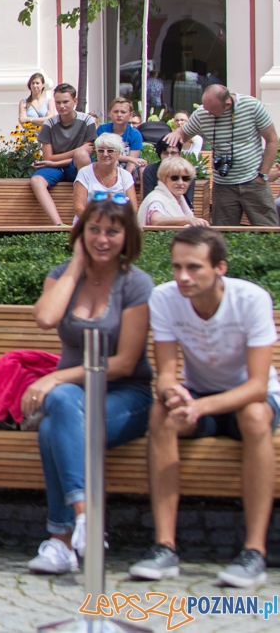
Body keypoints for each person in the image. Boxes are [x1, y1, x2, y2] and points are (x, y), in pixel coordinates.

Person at [129, 227, 277, 588]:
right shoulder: (164, 298)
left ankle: (254, 551)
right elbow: (165, 374)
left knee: (255, 416)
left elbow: (257, 385)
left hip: (250, 399)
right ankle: (164, 547)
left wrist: (201, 406)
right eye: (177, 266)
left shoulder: (252, 299)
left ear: (220, 268)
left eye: (194, 267)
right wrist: (173, 393)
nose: (183, 276)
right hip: (199, 397)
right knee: (160, 414)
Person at [24, 194, 154, 575]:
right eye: (93, 230)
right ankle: (86, 520)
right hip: (74, 398)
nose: (102, 239)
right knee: (60, 410)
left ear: (126, 236)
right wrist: (76, 264)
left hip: (126, 395)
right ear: (81, 233)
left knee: (54, 421)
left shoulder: (136, 284)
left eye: (112, 231)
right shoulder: (63, 274)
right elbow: (46, 318)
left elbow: (125, 362)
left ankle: (61, 539)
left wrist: (57, 375)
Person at [163, 85, 280, 227]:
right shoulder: (202, 113)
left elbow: (272, 140)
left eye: (212, 111)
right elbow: (183, 134)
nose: (208, 113)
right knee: (223, 234)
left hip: (254, 181)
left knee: (269, 231)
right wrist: (177, 133)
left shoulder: (253, 106)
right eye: (205, 107)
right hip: (223, 185)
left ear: (227, 104)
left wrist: (263, 175)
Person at [30, 84, 97, 226]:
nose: (61, 106)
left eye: (65, 101)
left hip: (75, 166)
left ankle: (87, 217)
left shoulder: (87, 121)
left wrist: (58, 160)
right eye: (58, 102)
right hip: (56, 168)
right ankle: (58, 225)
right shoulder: (49, 124)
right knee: (36, 181)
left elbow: (86, 153)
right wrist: (76, 151)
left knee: (82, 156)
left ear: (75, 101)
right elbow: (48, 158)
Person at [72, 132, 137, 219]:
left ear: (118, 154)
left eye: (110, 150)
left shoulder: (126, 176)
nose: (105, 154)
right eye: (101, 150)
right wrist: (98, 223)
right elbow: (79, 208)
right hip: (88, 223)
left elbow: (133, 208)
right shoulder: (85, 173)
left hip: (117, 224)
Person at [139, 155, 206, 228]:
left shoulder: (179, 199)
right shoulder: (156, 199)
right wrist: (187, 220)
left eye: (185, 178)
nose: (180, 182)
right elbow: (156, 220)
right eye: (174, 178)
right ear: (163, 178)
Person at [104, 98, 146, 176]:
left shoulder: (135, 134)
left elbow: (132, 163)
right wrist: (129, 158)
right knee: (112, 161)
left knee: (144, 169)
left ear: (130, 115)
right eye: (116, 111)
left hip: (131, 166)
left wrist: (125, 180)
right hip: (109, 162)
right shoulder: (103, 130)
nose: (119, 115)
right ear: (109, 113)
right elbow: (106, 154)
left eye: (123, 112)